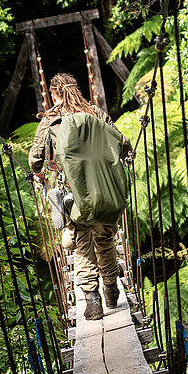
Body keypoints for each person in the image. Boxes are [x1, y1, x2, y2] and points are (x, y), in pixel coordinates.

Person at [28, 72, 132, 321]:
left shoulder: (52, 121)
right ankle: (110, 290)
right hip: (105, 192)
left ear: (53, 94)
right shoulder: (97, 114)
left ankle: (92, 301)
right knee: (105, 240)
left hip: (73, 197)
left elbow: (34, 160)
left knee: (82, 247)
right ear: (78, 89)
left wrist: (39, 174)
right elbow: (124, 144)